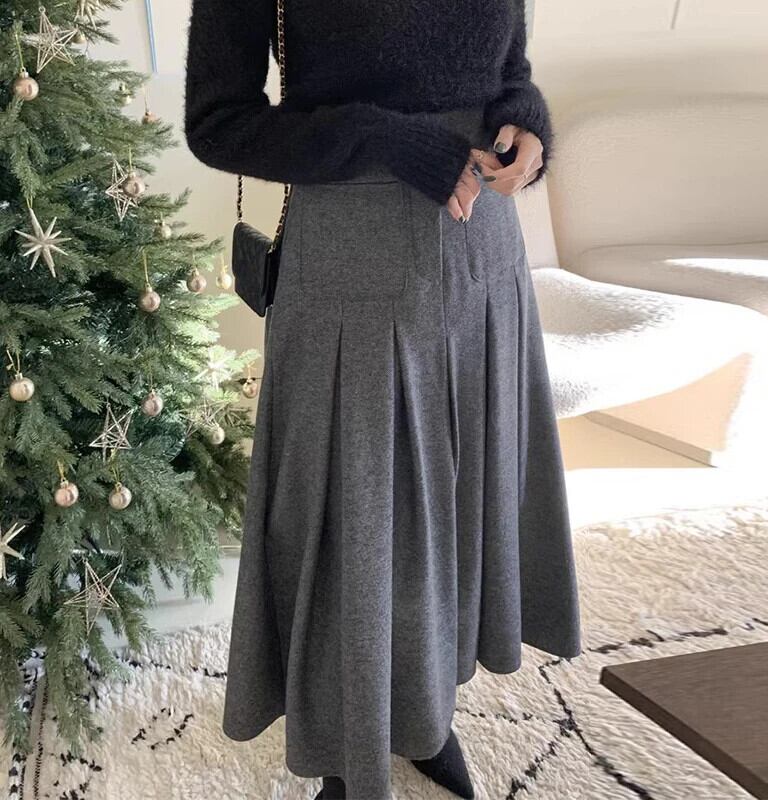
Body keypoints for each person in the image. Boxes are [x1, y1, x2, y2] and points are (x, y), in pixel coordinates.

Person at [184, 1, 582, 798]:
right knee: (355, 522)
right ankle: (346, 746)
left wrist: (527, 123)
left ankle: (427, 714)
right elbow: (218, 123)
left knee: (458, 511)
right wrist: (382, 139)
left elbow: (507, 67)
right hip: (352, 250)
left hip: (483, 254)